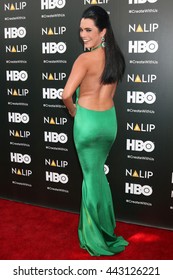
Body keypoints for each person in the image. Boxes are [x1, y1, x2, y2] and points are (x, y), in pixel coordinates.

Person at [62, 5, 128, 256]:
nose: (83, 34)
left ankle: (95, 236)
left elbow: (67, 94)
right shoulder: (117, 58)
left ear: (103, 32)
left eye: (89, 30)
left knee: (91, 178)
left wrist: (73, 110)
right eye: (81, 30)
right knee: (98, 174)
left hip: (88, 122)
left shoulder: (84, 59)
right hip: (108, 123)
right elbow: (112, 92)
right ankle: (107, 225)